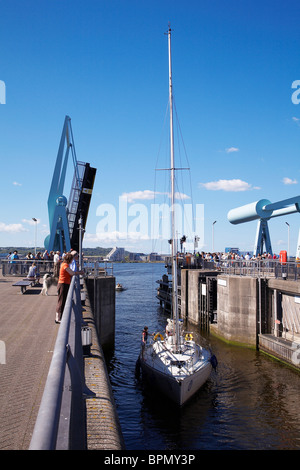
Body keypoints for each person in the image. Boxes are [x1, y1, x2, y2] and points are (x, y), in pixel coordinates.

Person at [55, 253, 83, 324]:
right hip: (63, 284)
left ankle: (59, 317)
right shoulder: (65, 265)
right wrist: (79, 273)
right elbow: (71, 273)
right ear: (69, 260)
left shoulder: (64, 264)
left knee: (62, 301)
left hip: (64, 283)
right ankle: (58, 318)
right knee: (61, 301)